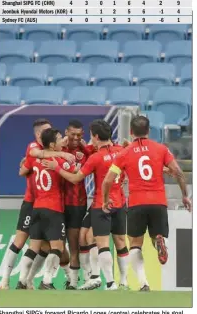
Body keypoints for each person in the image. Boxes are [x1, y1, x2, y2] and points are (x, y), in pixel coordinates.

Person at [102, 115, 192, 291]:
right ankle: (158, 239)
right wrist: (184, 196)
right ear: (149, 131)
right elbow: (179, 173)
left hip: (137, 203)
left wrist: (106, 200)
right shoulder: (161, 149)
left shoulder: (124, 153)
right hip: (158, 201)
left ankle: (144, 284)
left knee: (135, 244)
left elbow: (107, 181)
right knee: (155, 234)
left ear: (131, 132)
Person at [42, 120, 129, 291]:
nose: (80, 139)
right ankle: (115, 280)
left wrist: (56, 167)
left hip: (100, 203)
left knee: (96, 240)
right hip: (117, 202)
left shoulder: (94, 156)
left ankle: (105, 281)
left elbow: (76, 178)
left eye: (85, 135)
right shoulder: (121, 151)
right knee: (87, 236)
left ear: (95, 137)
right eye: (72, 134)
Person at [0, 119, 74, 290]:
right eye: (49, 131)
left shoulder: (38, 156)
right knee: (21, 242)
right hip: (35, 203)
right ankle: (6, 280)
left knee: (41, 247)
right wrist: (62, 156)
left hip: (39, 205)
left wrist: (29, 166)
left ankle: (25, 280)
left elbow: (22, 170)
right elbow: (73, 173)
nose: (53, 131)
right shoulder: (33, 148)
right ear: (40, 134)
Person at [61, 120, 92, 289]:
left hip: (76, 203)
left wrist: (85, 146)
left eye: (79, 135)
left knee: (74, 244)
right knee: (56, 245)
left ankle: (74, 282)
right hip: (56, 204)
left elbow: (96, 154)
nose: (75, 138)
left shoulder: (84, 151)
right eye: (72, 134)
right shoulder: (57, 149)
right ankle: (63, 275)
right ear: (66, 132)